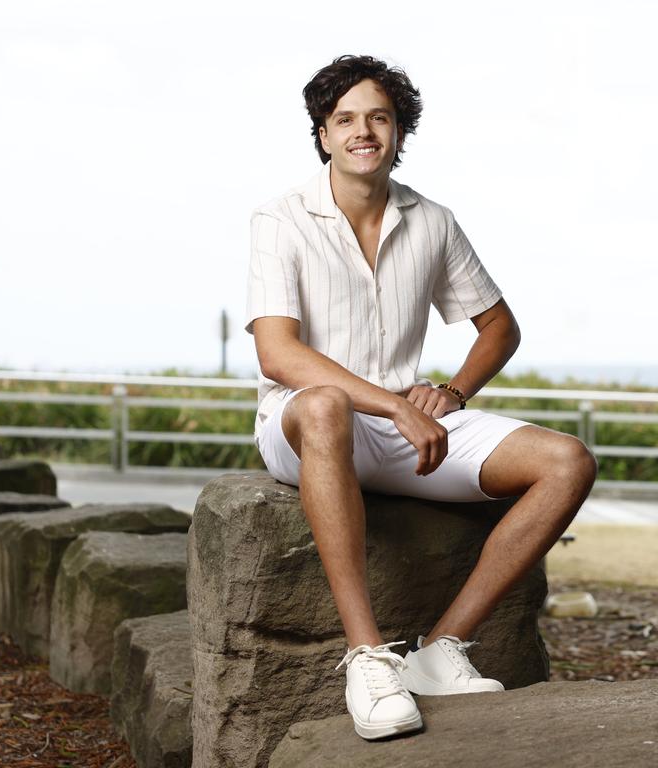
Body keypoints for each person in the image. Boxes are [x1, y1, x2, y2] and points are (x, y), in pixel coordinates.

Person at [245, 54, 597, 741]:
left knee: (567, 462)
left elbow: (500, 327)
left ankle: (440, 652)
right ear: (322, 135)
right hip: (304, 428)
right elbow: (277, 354)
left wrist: (454, 390)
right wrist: (393, 402)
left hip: (401, 428)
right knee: (322, 404)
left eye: (378, 116)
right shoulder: (280, 219)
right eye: (344, 119)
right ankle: (368, 657)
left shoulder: (432, 221)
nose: (362, 131)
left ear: (400, 131)